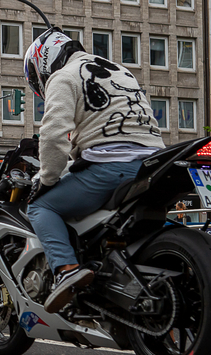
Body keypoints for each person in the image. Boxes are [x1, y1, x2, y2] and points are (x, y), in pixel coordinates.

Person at [23, 28, 165, 313]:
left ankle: (66, 270)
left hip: (113, 168)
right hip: (155, 165)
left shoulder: (64, 76)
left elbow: (53, 136)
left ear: (43, 64)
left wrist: (47, 179)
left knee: (40, 207)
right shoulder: (121, 71)